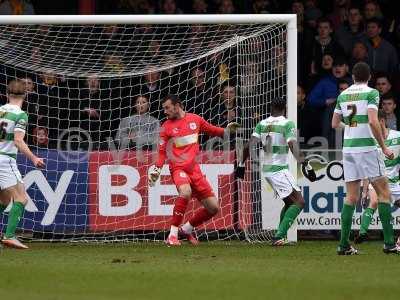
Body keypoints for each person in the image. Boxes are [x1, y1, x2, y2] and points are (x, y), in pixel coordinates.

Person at [148, 94, 240, 246]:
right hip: (177, 168)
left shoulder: (195, 119)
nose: (165, 111)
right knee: (185, 192)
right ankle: (172, 235)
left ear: (178, 106)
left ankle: (187, 229)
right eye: (164, 108)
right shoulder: (166, 127)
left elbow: (212, 130)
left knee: (213, 208)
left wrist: (227, 130)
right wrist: (157, 169)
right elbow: (162, 152)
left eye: (167, 108)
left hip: (194, 170)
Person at [331, 62, 399, 255]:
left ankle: (343, 245)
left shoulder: (342, 95)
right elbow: (372, 120)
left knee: (351, 197)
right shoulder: (372, 93)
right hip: (368, 149)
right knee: (384, 194)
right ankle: (388, 243)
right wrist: (384, 147)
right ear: (369, 77)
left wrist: (352, 127)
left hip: (349, 150)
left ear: (352, 77)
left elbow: (335, 123)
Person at [235, 97, 316, 246]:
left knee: (289, 201)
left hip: (266, 170)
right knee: (299, 202)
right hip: (278, 169)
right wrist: (306, 165)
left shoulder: (262, 124)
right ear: (284, 107)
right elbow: (292, 144)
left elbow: (249, 145)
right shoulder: (287, 123)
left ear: (271, 107)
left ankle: (281, 236)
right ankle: (279, 236)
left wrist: (241, 164)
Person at [0, 80, 45, 249]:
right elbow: (18, 141)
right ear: (25, 95)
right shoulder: (21, 114)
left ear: (7, 94)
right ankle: (9, 236)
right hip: (5, 160)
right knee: (21, 198)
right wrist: (34, 158)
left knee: (4, 200)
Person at [354, 110, 400, 246]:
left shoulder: (397, 137)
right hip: (377, 181)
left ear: (381, 121)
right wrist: (364, 190)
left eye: (372, 124)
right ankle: (362, 232)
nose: (370, 127)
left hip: (394, 182)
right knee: (374, 201)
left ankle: (396, 241)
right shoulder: (371, 142)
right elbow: (367, 168)